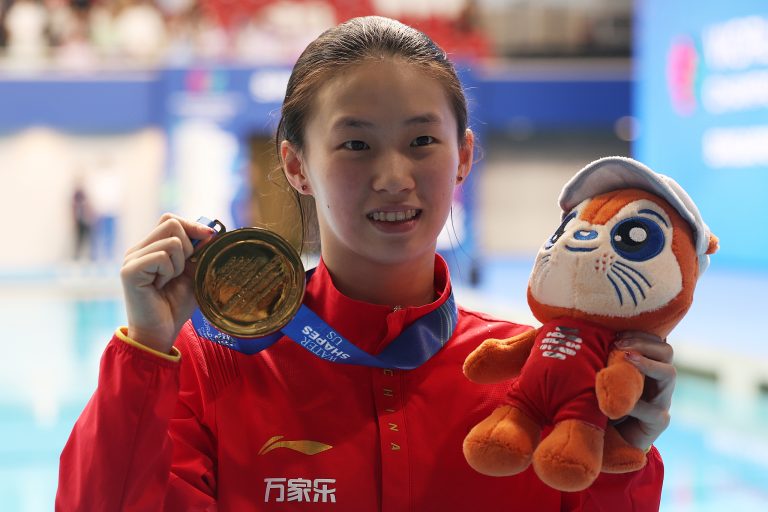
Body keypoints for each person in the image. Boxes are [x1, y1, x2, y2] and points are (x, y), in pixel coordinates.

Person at [56, 16, 674, 511]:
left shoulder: (534, 374)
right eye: (355, 144)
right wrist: (144, 356)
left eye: (421, 141)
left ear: (463, 156)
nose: (394, 178)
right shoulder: (210, 363)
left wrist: (624, 454)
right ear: (297, 165)